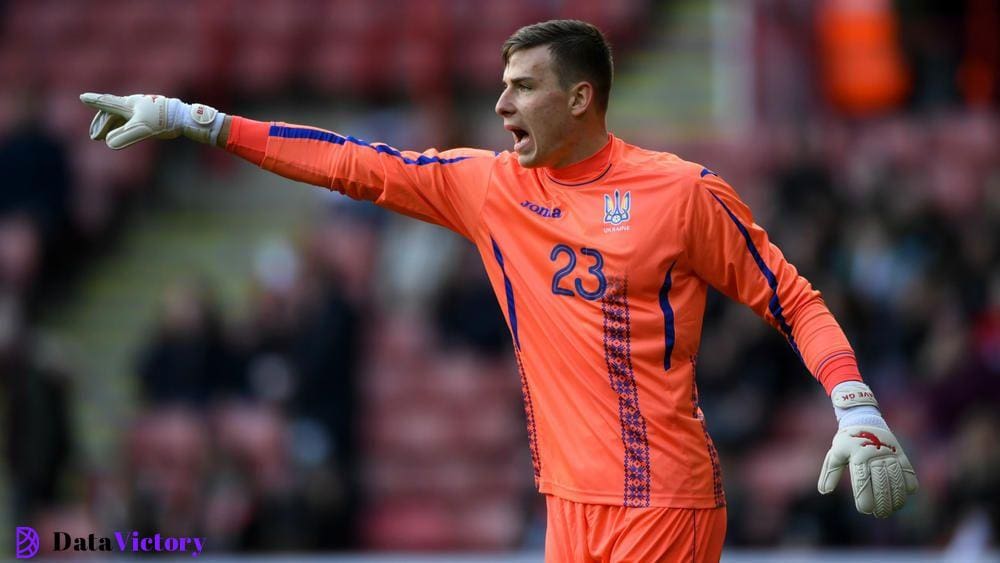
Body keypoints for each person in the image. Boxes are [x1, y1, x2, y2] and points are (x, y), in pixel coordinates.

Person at [81, 19, 917, 562]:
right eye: (502, 83)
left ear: (581, 97)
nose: (500, 102)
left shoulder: (682, 193)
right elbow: (350, 162)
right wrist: (201, 121)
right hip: (565, 508)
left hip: (662, 502)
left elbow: (792, 296)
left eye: (523, 86)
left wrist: (856, 404)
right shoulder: (490, 189)